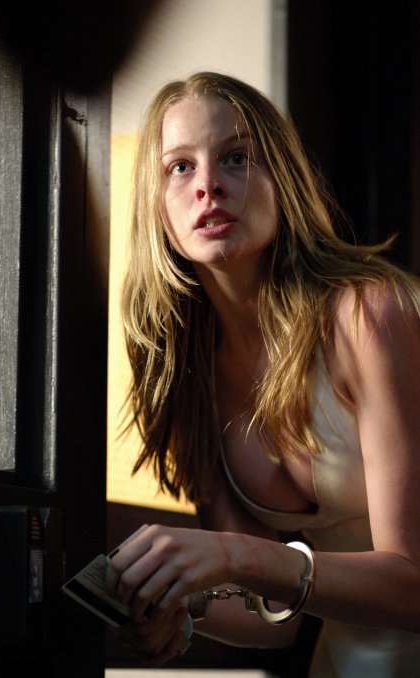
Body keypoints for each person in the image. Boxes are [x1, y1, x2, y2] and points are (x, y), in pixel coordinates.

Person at [105, 72, 420, 676]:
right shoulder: (189, 371)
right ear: (155, 204)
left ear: (283, 179)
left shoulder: (369, 316)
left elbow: (413, 584)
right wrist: (182, 606)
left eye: (235, 157)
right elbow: (272, 617)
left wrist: (231, 554)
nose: (209, 186)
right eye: (180, 167)